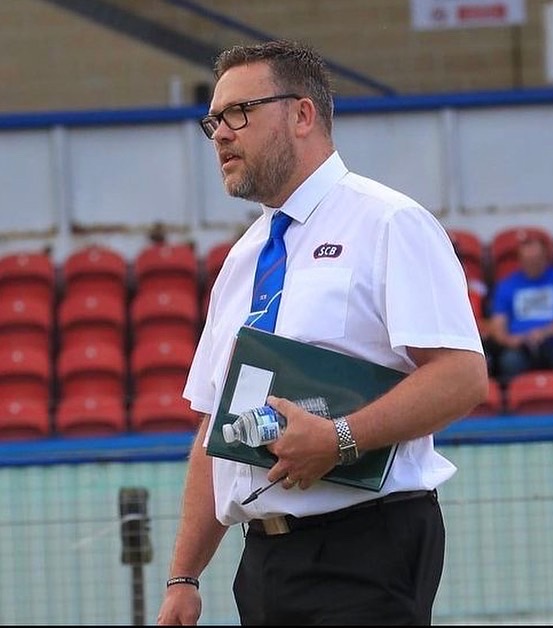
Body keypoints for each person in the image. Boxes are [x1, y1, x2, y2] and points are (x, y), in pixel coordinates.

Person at [156, 39, 488, 626]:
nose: (221, 135)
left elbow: (462, 377)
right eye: (214, 122)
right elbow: (215, 422)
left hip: (366, 545)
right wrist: (184, 576)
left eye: (239, 113)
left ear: (302, 114)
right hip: (262, 561)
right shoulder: (242, 259)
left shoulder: (389, 222)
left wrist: (340, 439)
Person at [489, 231, 553, 383]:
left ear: (545, 257)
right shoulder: (506, 285)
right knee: (508, 363)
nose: (532, 263)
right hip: (520, 346)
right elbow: (497, 326)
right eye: (528, 259)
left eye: (536, 258)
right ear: (520, 259)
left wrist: (544, 332)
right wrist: (511, 340)